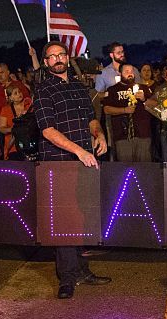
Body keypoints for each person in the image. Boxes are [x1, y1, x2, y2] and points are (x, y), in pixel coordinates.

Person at [32, 41, 112, 299]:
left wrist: (99, 135)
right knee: (64, 220)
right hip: (58, 162)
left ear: (68, 57)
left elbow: (90, 118)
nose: (57, 59)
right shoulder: (43, 89)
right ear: (45, 62)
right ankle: (66, 278)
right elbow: (47, 129)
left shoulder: (79, 86)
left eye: (61, 55)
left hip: (84, 160)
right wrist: (78, 150)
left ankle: (81, 270)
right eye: (51, 56)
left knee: (81, 215)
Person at [102, 64, 154, 162]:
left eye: (131, 71)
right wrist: (124, 110)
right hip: (123, 136)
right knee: (126, 169)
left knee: (144, 167)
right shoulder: (112, 90)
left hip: (143, 134)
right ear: (120, 73)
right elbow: (107, 109)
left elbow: (155, 105)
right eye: (126, 71)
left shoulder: (144, 88)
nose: (130, 74)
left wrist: (144, 99)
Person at [0, 85, 33, 160]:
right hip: (13, 147)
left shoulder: (29, 106)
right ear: (10, 98)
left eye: (19, 92)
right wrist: (15, 130)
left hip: (30, 144)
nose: (19, 94)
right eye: (15, 93)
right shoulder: (5, 109)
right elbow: (2, 128)